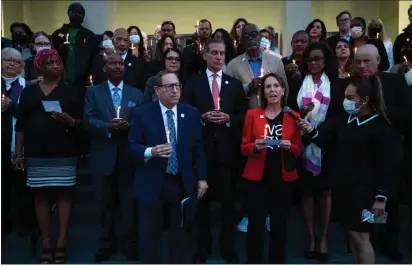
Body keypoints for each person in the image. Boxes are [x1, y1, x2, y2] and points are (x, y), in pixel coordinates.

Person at [297, 76, 398, 264]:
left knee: (362, 238)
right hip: (346, 191)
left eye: (350, 98)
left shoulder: (380, 126)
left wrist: (381, 198)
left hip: (368, 196)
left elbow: (387, 165)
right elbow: (324, 142)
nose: (346, 101)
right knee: (352, 236)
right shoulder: (346, 120)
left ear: (365, 100)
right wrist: (309, 131)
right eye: (345, 97)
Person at [128, 70, 207, 263]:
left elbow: (198, 149)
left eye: (177, 85)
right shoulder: (142, 113)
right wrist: (151, 152)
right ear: (157, 90)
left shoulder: (190, 113)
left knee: (179, 235)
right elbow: (132, 146)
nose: (175, 90)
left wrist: (202, 178)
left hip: (181, 181)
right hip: (152, 181)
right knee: (149, 236)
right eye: (169, 86)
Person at [13, 48, 82, 264]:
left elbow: (82, 122)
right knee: (40, 196)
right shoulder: (29, 92)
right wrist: (17, 153)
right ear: (39, 67)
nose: (56, 65)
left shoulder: (71, 91)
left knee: (65, 196)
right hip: (36, 153)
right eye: (50, 62)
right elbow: (21, 126)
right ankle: (46, 239)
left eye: (58, 62)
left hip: (65, 152)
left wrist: (69, 121)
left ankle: (62, 239)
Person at [182, 39, 246, 263]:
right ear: (206, 55)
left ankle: (227, 247)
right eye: (215, 53)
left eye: (222, 54)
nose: (219, 57)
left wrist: (229, 118)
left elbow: (243, 114)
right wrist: (201, 117)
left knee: (228, 205)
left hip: (227, 154)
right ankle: (202, 247)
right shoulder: (193, 83)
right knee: (202, 205)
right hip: (201, 154)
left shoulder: (233, 84)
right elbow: (184, 113)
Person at [353, 44, 412, 261]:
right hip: (359, 156)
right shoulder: (350, 84)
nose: (362, 65)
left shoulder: (395, 82)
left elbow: (408, 116)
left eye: (367, 61)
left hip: (388, 154)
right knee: (363, 200)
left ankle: (388, 242)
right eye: (358, 61)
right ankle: (368, 240)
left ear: (378, 60)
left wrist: (381, 112)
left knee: (388, 201)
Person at [83, 53, 142, 262]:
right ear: (104, 68)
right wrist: (107, 126)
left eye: (120, 63)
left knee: (128, 203)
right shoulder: (93, 92)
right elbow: (88, 120)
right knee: (104, 203)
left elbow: (143, 121)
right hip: (103, 154)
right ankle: (106, 244)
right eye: (112, 63)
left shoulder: (136, 92)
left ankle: (128, 244)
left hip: (128, 155)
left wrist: (130, 127)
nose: (117, 66)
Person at [241, 73, 301, 263]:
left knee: (279, 224)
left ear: (283, 90)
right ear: (263, 92)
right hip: (257, 177)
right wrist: (254, 147)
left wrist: (290, 147)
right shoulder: (252, 114)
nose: (272, 90)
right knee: (256, 224)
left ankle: (277, 260)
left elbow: (299, 149)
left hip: (283, 177)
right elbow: (244, 147)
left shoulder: (294, 116)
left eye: (276, 86)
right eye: (268, 87)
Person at [298, 41, 343, 261]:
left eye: (318, 59)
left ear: (326, 61)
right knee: (307, 192)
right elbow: (288, 108)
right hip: (303, 144)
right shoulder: (298, 81)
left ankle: (323, 237)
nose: (314, 63)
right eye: (310, 59)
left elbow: (337, 116)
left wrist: (317, 133)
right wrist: (302, 112)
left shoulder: (336, 83)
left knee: (325, 192)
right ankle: (311, 237)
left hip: (326, 144)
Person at [1, 48, 30, 237]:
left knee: (21, 186)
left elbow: (31, 113)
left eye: (16, 61)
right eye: (7, 60)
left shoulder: (27, 86)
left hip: (17, 143)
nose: (12, 64)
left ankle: (25, 225)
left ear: (22, 66)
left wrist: (13, 106)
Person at [226, 23, 288, 109]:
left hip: (273, 115)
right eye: (246, 36)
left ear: (260, 37)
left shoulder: (276, 61)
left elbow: (285, 89)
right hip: (245, 117)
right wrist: (248, 87)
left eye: (254, 34)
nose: (250, 38)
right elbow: (228, 93)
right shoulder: (233, 65)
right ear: (241, 40)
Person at [51, 2, 98, 101]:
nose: (77, 14)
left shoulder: (89, 35)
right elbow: (51, 54)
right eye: (74, 12)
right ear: (69, 13)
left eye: (80, 13)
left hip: (81, 81)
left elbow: (94, 58)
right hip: (60, 78)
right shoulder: (57, 33)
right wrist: (60, 50)